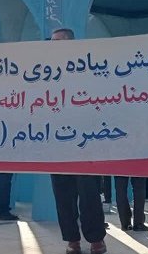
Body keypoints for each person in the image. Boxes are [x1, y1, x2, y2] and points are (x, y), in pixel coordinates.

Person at [49, 28, 107, 254]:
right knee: (63, 194)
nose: (53, 46)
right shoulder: (45, 70)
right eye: (52, 42)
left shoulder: (87, 67)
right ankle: (72, 239)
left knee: (89, 192)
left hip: (85, 142)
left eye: (58, 42)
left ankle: (96, 239)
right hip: (57, 142)